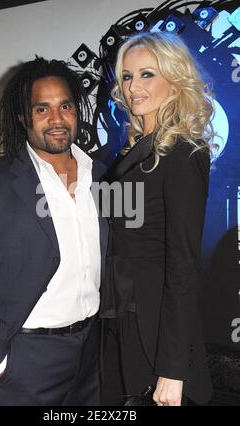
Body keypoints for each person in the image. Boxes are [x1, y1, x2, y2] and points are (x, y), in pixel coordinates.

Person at [0, 57, 108, 406]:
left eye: (64, 106)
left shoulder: (102, 176)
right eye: (42, 109)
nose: (56, 119)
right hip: (25, 357)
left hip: (90, 354)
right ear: (23, 117)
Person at [100, 32, 215, 406]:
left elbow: (183, 265)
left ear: (174, 78)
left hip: (154, 332)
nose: (133, 86)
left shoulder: (184, 152)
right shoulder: (131, 150)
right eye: (128, 76)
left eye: (147, 74)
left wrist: (173, 367)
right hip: (117, 320)